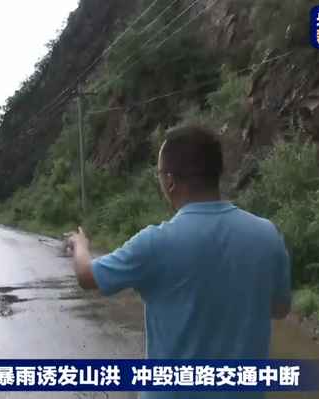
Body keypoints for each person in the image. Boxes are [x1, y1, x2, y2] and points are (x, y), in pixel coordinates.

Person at [66, 124, 291, 398]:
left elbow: (87, 276)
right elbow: (280, 308)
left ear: (170, 181)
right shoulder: (267, 234)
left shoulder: (156, 243)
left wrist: (81, 245)